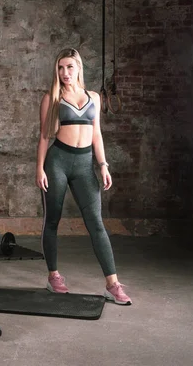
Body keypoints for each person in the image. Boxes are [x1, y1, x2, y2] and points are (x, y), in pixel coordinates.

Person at [36, 48, 132, 305]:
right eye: (60, 68)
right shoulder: (51, 98)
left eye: (69, 67)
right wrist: (40, 169)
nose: (65, 73)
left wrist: (103, 165)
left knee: (96, 224)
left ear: (79, 68)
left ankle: (112, 284)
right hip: (57, 162)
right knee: (52, 220)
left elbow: (97, 133)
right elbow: (45, 136)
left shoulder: (94, 98)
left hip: (84, 165)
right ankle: (53, 275)